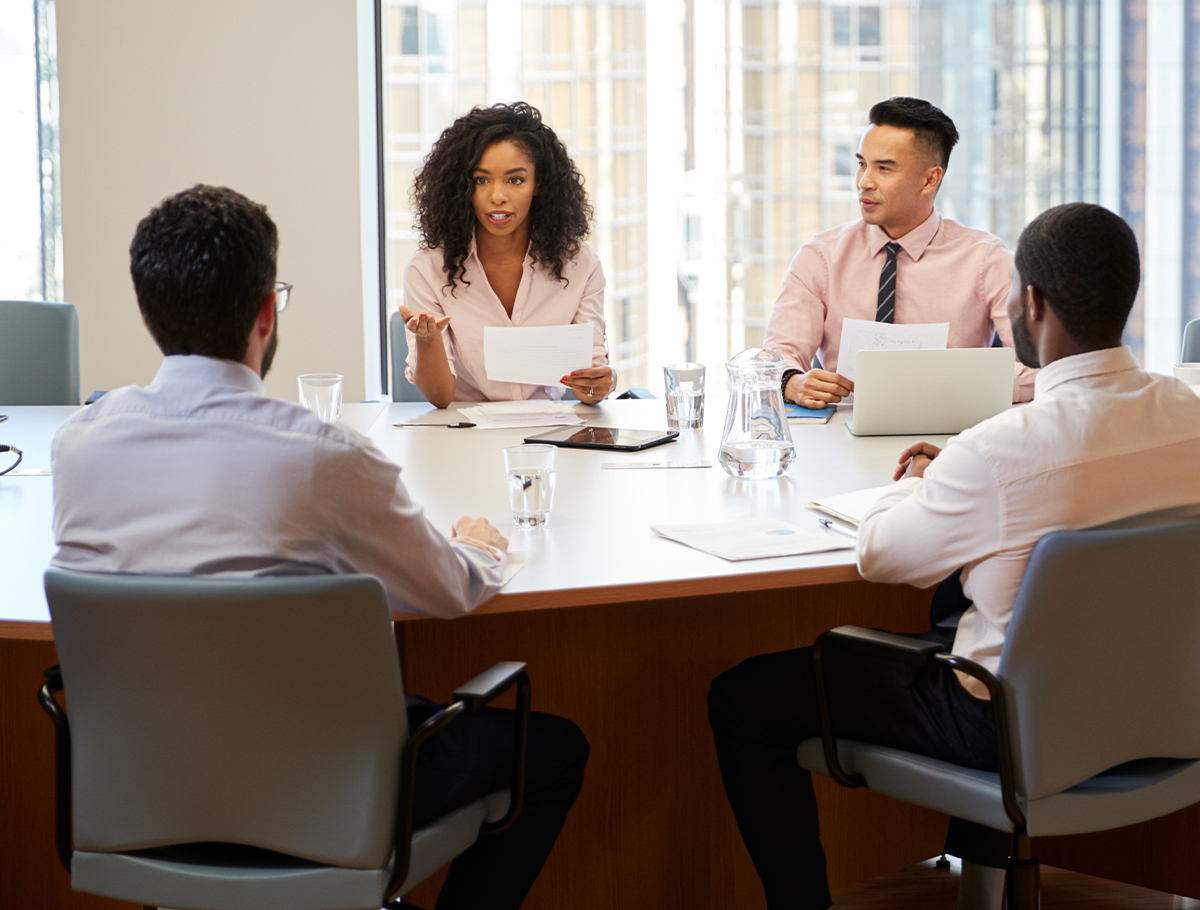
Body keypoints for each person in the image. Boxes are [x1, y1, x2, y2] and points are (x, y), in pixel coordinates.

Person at [51, 184, 589, 910]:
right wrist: (477, 544)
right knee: (551, 752)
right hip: (325, 796)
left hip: (135, 791)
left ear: (148, 314)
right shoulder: (323, 458)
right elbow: (448, 591)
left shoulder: (79, 446)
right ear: (268, 312)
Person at [708, 202, 1200, 910]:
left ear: (1031, 303)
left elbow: (882, 556)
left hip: (1008, 732)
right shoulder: (1187, 416)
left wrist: (925, 485)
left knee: (745, 698)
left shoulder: (1003, 449)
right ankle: (985, 888)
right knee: (961, 614)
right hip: (1164, 712)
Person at [763, 96, 1037, 409]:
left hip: (947, 434)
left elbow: (1034, 370)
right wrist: (791, 382)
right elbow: (776, 358)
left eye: (884, 168)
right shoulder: (821, 256)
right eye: (862, 164)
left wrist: (954, 386)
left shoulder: (986, 260)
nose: (864, 182)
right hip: (840, 430)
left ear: (930, 179)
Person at [401, 102, 613, 408]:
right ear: (462, 187)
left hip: (547, 435)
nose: (497, 196)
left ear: (538, 184)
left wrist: (601, 382)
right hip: (462, 433)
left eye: (515, 180)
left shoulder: (581, 265)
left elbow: (589, 386)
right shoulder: (426, 270)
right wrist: (428, 340)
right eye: (481, 180)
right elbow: (440, 397)